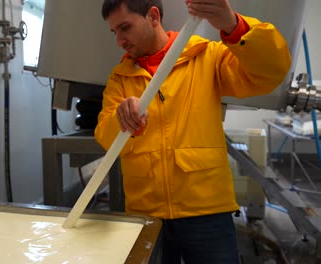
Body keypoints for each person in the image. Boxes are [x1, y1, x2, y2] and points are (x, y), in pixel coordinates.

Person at [95, 0, 291, 263]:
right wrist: (123, 122)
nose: (119, 40)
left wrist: (233, 26)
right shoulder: (120, 78)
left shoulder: (205, 56)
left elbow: (270, 71)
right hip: (146, 214)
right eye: (114, 32)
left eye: (125, 27)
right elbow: (106, 139)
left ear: (153, 16)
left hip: (207, 212)